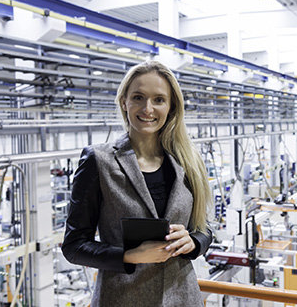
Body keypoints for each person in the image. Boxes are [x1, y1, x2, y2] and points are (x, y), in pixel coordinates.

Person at [62, 61, 213, 306]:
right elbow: (74, 246)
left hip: (182, 297)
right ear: (124, 101)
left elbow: (206, 227)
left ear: (171, 105)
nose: (148, 108)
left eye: (159, 100)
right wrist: (130, 255)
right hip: (122, 298)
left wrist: (194, 242)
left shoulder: (188, 161)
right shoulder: (99, 161)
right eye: (138, 97)